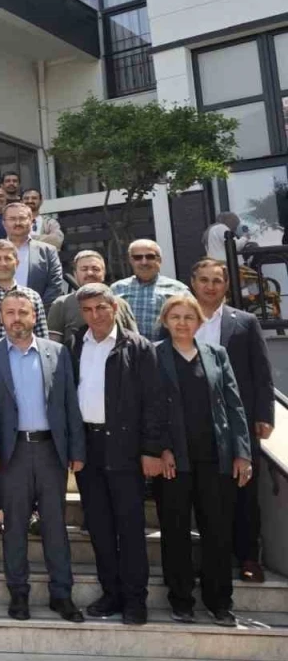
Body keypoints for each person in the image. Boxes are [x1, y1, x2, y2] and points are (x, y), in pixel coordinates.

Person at [0, 289, 86, 623]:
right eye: (10, 312)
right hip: (11, 453)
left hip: (50, 452)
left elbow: (70, 404)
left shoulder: (57, 352)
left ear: (34, 316)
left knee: (55, 525)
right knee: (14, 526)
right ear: (2, 317)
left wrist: (76, 450)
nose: (17, 319)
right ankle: (18, 594)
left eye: (23, 312)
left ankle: (62, 594)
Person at [66, 283, 164, 626]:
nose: (95, 315)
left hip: (125, 448)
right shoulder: (75, 344)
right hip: (88, 448)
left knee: (130, 527)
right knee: (100, 527)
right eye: (88, 310)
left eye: (101, 307)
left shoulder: (137, 346)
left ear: (114, 307)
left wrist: (151, 450)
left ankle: (136, 600)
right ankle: (111, 594)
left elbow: (154, 401)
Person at [154, 293, 252, 626]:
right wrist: (160, 449)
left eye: (189, 317)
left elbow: (234, 405)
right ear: (166, 321)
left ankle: (219, 601)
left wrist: (242, 452)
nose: (182, 323)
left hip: (215, 457)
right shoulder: (154, 355)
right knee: (175, 530)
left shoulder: (216, 354)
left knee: (217, 531)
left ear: (199, 321)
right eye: (175, 317)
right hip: (173, 460)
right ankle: (181, 599)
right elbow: (149, 408)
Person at [189, 258, 273, 584]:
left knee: (245, 491)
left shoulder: (245, 322)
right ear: (193, 283)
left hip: (240, 421)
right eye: (204, 280)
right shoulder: (181, 320)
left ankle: (249, 556)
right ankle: (214, 558)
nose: (210, 286)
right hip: (197, 421)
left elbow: (261, 372)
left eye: (217, 280)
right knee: (206, 494)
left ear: (226, 285)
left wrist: (264, 414)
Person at [0, 241, 50, 534]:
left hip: (26, 375)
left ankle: (34, 511)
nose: (3, 263)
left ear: (17, 262)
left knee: (28, 449)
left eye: (8, 258)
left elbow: (43, 340)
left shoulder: (32, 296)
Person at [47, 251, 138, 342]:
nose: (90, 273)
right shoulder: (62, 304)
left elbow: (134, 339)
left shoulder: (121, 304)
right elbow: (54, 344)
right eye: (84, 269)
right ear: (75, 274)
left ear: (104, 273)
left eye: (95, 269)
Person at [111, 239, 188, 335]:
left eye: (150, 257)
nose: (144, 262)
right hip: (127, 344)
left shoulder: (178, 290)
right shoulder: (116, 289)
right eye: (138, 257)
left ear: (159, 260)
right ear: (131, 261)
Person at [1, 202, 64, 307]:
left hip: (39, 311)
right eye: (12, 219)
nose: (17, 223)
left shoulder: (48, 251)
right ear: (3, 223)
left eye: (22, 218)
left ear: (31, 221)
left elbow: (55, 285)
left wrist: (37, 309)